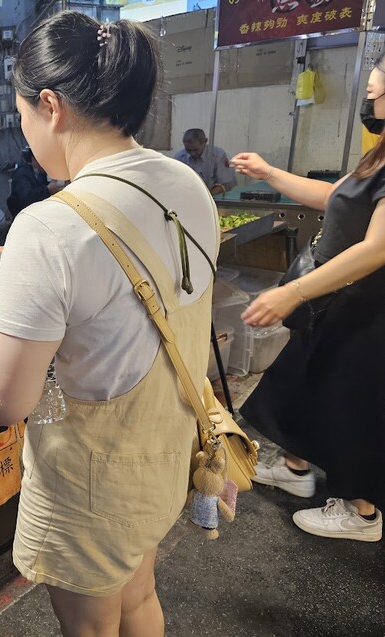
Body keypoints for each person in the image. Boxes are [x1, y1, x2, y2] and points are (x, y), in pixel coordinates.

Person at [0, 13, 219, 637]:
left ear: (50, 106)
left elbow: (4, 399)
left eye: (24, 115)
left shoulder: (50, 225)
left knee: (88, 625)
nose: (27, 135)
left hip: (93, 480)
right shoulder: (185, 184)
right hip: (164, 452)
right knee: (138, 598)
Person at [230, 56, 385, 543]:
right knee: (298, 378)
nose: (368, 100)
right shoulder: (378, 154)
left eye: (375, 93)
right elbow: (332, 197)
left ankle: (362, 513)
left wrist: (291, 291)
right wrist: (269, 172)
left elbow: (377, 249)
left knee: (349, 402)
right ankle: (297, 466)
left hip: (367, 310)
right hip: (337, 303)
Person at [174, 128, 237, 196]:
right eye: (188, 150)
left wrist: (205, 196)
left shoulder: (218, 155)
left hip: (217, 197)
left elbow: (224, 184)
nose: (192, 153)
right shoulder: (180, 157)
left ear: (205, 142)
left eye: (195, 150)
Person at [7, 146, 63, 216]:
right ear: (34, 160)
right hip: (25, 215)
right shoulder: (22, 174)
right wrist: (47, 189)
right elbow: (26, 197)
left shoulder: (40, 174)